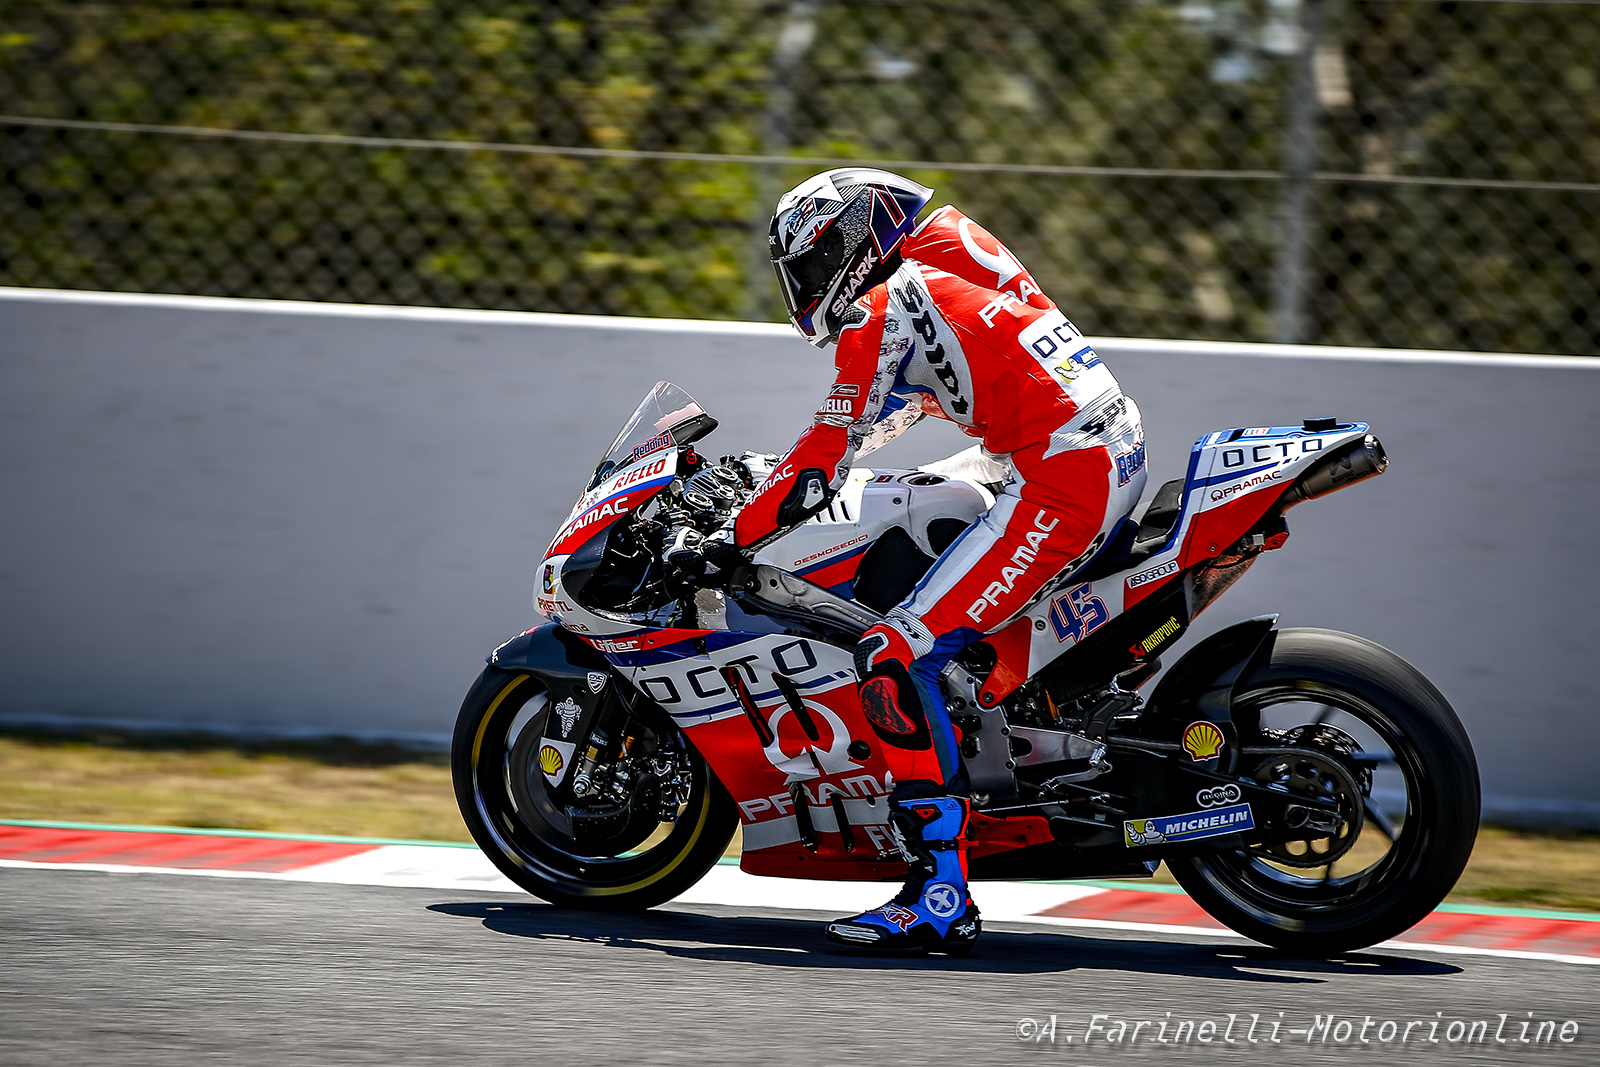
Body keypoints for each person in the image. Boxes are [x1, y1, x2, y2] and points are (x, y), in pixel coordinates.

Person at [723, 167, 1147, 953]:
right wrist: (791, 470)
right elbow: (910, 398)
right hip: (1092, 443)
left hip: (1060, 473)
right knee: (915, 508)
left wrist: (737, 535)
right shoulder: (949, 247)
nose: (810, 286)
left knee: (894, 653)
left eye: (815, 265)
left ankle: (939, 892)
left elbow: (828, 448)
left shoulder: (882, 303)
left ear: (854, 239)